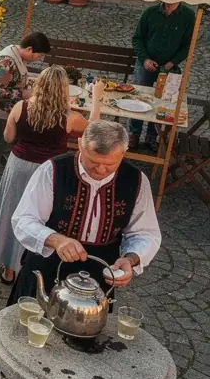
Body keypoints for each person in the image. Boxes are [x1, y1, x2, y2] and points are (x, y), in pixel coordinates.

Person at [9, 119, 162, 304]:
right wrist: (56, 240)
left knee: (84, 329)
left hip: (99, 273)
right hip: (48, 263)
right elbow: (23, 219)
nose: (101, 169)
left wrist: (131, 260)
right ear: (80, 145)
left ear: (124, 153)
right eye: (93, 161)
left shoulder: (136, 180)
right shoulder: (53, 170)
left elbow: (145, 233)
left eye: (110, 165)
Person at [0, 67, 94, 284]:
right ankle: (33, 265)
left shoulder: (20, 107)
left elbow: (8, 137)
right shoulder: (70, 117)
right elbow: (93, 132)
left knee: (14, 214)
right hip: (50, 171)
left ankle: (9, 268)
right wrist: (96, 99)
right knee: (43, 217)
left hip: (19, 167)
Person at [0, 32, 51, 197]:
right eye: (39, 55)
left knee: (2, 145)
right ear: (30, 49)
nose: (38, 58)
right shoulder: (6, 62)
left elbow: (11, 81)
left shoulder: (16, 56)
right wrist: (24, 94)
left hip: (6, 109)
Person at [130, 0, 196, 149]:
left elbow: (188, 45)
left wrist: (172, 63)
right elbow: (137, 39)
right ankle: (134, 132)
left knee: (162, 102)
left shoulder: (188, 16)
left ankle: (152, 135)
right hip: (146, 63)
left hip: (168, 67)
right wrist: (145, 59)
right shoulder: (150, 12)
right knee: (139, 97)